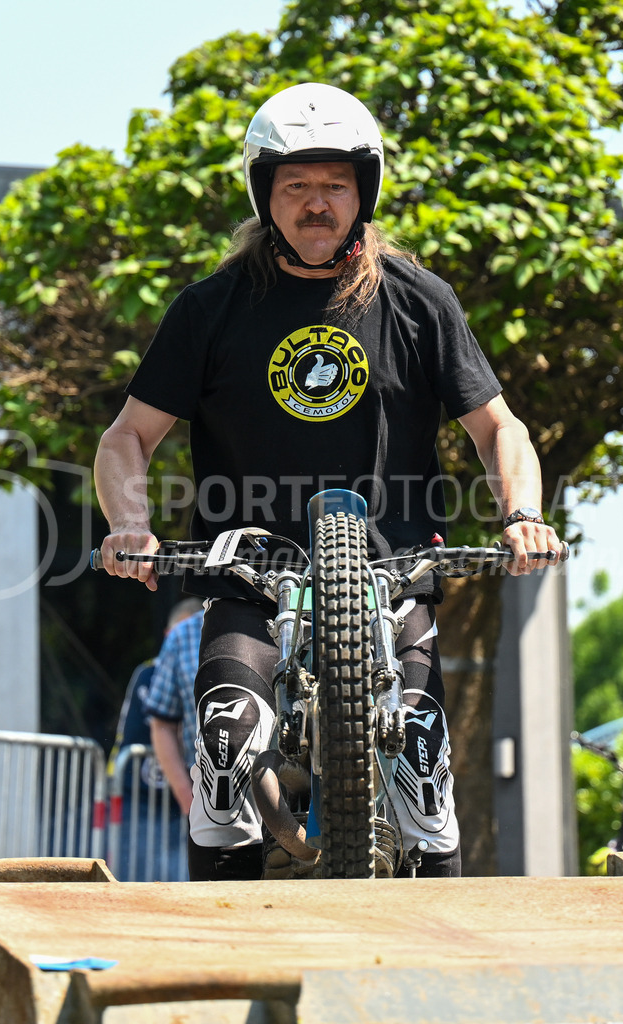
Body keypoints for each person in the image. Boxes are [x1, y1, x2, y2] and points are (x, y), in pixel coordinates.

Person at [94, 82, 565, 881]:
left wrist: (522, 513)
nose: (317, 205)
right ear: (264, 195)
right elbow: (125, 438)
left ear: (364, 191)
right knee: (223, 749)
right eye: (297, 187)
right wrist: (129, 526)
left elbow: (500, 428)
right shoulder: (211, 309)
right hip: (250, 574)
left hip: (391, 573)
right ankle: (227, 965)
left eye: (335, 186)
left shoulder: (418, 301)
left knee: (422, 773)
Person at [109, 597, 201, 880]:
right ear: (168, 635)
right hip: (139, 788)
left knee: (176, 872)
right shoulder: (149, 673)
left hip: (178, 794)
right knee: (134, 873)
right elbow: (149, 728)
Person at [143, 606, 205, 839]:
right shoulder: (182, 635)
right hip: (206, 799)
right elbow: (161, 725)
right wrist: (188, 801)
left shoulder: (310, 616)